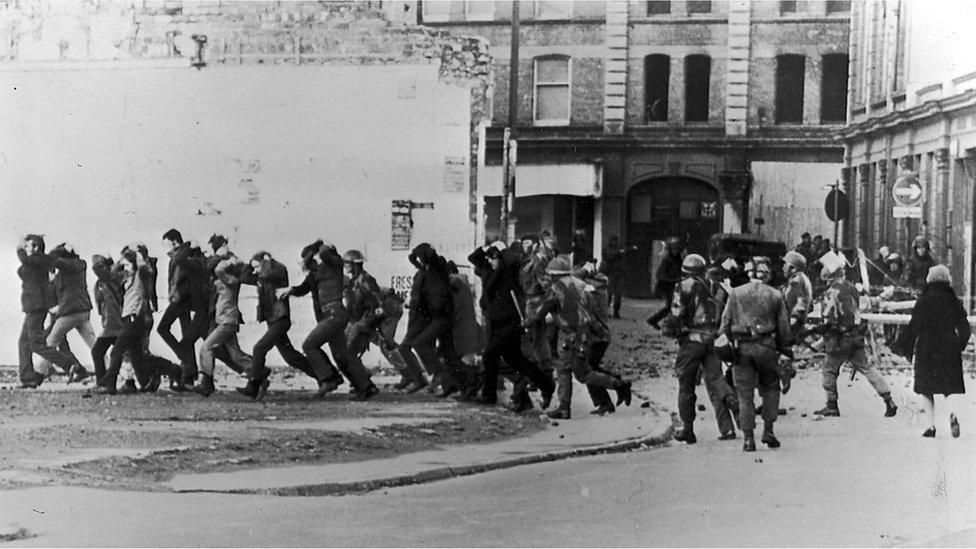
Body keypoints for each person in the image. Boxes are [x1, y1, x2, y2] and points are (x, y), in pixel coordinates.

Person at [525, 256, 632, 420]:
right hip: (587, 331)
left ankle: (618, 384)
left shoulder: (556, 290)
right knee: (563, 368)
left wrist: (526, 322)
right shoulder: (579, 283)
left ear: (554, 275)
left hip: (578, 335)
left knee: (583, 374)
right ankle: (563, 408)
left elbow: (539, 312)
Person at [280, 240, 375, 398]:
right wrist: (290, 290)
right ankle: (365, 387)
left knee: (309, 345)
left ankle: (329, 379)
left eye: (311, 259)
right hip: (328, 316)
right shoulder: (316, 273)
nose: (308, 264)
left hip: (335, 314)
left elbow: (324, 252)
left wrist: (319, 245)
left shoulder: (334, 265)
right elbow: (303, 289)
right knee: (341, 356)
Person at [469, 241, 555, 408]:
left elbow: (513, 259)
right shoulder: (488, 273)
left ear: (501, 257)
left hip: (509, 322)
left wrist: (500, 250)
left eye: (495, 257)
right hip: (496, 323)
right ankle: (546, 384)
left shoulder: (509, 271)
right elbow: (473, 258)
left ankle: (489, 396)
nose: (492, 260)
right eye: (490, 258)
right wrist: (487, 249)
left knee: (489, 356)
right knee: (515, 360)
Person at [719, 259, 791, 451]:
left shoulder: (735, 293)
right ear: (767, 276)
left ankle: (748, 439)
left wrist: (728, 345)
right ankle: (768, 431)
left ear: (750, 275)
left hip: (741, 349)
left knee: (744, 395)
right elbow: (784, 328)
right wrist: (783, 348)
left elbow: (724, 324)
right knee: (770, 389)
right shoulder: (776, 295)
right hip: (767, 348)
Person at [666, 254, 738, 443]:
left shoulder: (684, 286)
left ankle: (688, 429)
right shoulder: (718, 286)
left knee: (686, 383)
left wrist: (668, 328)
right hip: (713, 338)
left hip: (692, 339)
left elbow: (676, 313)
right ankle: (732, 402)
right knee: (716, 379)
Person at [94, 245, 183, 394]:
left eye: (128, 265)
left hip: (136, 318)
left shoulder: (142, 275)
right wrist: (121, 262)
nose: (125, 268)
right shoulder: (128, 276)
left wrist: (137, 256)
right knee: (137, 356)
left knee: (117, 351)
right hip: (130, 319)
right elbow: (109, 275)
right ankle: (172, 369)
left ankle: (109, 384)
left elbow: (145, 268)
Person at [814, 264, 898, 418]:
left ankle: (831, 405)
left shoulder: (831, 293)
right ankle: (888, 399)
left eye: (826, 280)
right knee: (867, 368)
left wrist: (819, 331)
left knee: (829, 369)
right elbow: (862, 306)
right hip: (856, 336)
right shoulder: (852, 288)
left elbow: (829, 319)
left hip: (839, 340)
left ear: (829, 278)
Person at [894, 265, 969, 438]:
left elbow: (914, 326)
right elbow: (964, 327)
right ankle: (952, 413)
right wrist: (960, 344)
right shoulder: (953, 300)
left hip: (926, 347)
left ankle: (931, 426)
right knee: (949, 388)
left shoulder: (924, 299)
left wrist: (904, 346)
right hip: (949, 346)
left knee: (926, 389)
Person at [396, 243, 476, 397]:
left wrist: (430, 308)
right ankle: (463, 384)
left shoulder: (435, 271)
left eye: (420, 257)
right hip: (436, 318)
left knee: (421, 344)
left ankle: (443, 376)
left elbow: (435, 298)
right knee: (448, 355)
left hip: (439, 318)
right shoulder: (427, 271)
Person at [236, 251, 317, 400]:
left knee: (259, 348)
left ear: (265, 263)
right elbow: (243, 277)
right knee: (291, 357)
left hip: (280, 320)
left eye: (257, 267)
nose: (256, 271)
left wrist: (266, 261)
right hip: (272, 321)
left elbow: (269, 274)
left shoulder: (278, 271)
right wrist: (250, 263)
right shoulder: (261, 276)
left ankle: (253, 386)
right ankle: (323, 376)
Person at [17, 235, 77, 388]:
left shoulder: (38, 260)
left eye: (28, 246)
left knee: (35, 343)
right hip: (32, 307)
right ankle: (27, 377)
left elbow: (26, 259)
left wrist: (19, 247)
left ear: (36, 247)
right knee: (24, 342)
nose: (25, 249)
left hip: (37, 307)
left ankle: (70, 365)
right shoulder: (35, 261)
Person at [192, 254, 253, 397]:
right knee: (236, 356)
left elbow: (219, 269)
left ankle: (205, 382)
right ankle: (258, 372)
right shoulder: (224, 282)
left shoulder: (230, 280)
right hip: (225, 321)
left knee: (206, 347)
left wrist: (230, 260)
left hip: (227, 321)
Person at [38, 243, 96, 383]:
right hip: (83, 312)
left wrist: (58, 250)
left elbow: (53, 259)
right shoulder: (78, 266)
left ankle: (39, 373)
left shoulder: (69, 266)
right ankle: (107, 371)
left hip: (70, 313)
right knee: (94, 344)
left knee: (50, 342)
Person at [156, 229, 208, 386]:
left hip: (180, 300)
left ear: (174, 242)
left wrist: (176, 296)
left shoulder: (181, 256)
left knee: (162, 328)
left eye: (165, 243)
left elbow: (180, 280)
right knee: (185, 333)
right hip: (182, 299)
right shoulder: (176, 256)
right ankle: (189, 374)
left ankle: (186, 363)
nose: (163, 246)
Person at [779, 251, 812, 394]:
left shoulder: (795, 281)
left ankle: (785, 370)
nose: (782, 268)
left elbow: (799, 304)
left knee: (774, 350)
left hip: (790, 323)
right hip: (794, 322)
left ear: (793, 267)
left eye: (785, 265)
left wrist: (791, 323)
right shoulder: (801, 279)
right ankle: (786, 369)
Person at [90, 254, 124, 386]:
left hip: (112, 323)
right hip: (115, 321)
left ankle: (103, 383)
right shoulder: (113, 279)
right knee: (126, 354)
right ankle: (106, 382)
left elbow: (100, 307)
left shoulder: (109, 279)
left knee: (97, 351)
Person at [647, 237, 684, 330]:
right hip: (668, 286)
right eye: (674, 249)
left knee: (674, 306)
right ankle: (654, 320)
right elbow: (661, 275)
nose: (676, 251)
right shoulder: (667, 260)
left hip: (674, 285)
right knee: (671, 306)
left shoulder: (678, 260)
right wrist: (674, 280)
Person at [600, 236, 637, 319]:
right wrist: (620, 252)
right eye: (613, 241)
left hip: (618, 273)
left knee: (618, 294)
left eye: (615, 241)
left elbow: (621, 257)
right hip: (609, 273)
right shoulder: (607, 249)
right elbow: (610, 256)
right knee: (608, 294)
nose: (614, 243)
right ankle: (605, 311)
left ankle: (616, 312)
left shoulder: (618, 249)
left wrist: (628, 250)